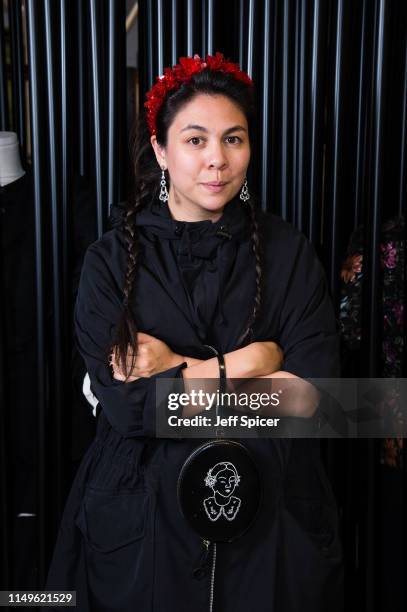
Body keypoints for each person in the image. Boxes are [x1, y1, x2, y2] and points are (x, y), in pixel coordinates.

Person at [46, 53, 343, 611]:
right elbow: (131, 410)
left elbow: (313, 398)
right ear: (160, 149)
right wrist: (254, 363)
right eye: (196, 140)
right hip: (140, 519)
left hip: (273, 512)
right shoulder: (110, 261)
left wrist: (192, 373)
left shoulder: (288, 252)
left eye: (234, 139)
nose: (217, 161)